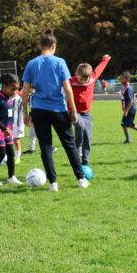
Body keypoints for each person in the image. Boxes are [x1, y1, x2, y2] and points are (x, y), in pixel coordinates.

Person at [20, 29, 88, 192]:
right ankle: (81, 179)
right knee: (69, 145)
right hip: (58, 109)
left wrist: (25, 112)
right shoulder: (59, 62)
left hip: (38, 110)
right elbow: (68, 88)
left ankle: (53, 184)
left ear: (40, 46)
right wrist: (73, 110)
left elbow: (25, 90)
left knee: (45, 146)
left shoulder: (31, 64)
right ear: (54, 46)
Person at [70, 54, 110, 166]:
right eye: (81, 79)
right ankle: (77, 149)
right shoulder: (70, 81)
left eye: (85, 79)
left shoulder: (92, 78)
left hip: (87, 113)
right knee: (80, 127)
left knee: (88, 137)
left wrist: (105, 59)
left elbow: (99, 69)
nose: (83, 81)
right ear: (76, 74)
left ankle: (85, 162)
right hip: (74, 112)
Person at [0, 74, 23, 187]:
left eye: (16, 89)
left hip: (7, 131)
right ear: (5, 86)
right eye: (12, 89)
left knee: (11, 153)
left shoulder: (9, 98)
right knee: (1, 154)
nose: (15, 92)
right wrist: (3, 128)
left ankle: (11, 177)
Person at [10, 87, 25, 164]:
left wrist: (21, 126)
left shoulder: (19, 100)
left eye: (14, 90)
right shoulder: (8, 99)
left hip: (18, 124)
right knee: (8, 142)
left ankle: (18, 158)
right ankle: (10, 157)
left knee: (16, 141)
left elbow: (23, 113)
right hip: (9, 124)